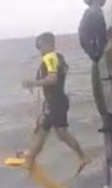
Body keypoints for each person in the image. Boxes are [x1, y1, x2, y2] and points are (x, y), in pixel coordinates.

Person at [21, 31, 90, 174]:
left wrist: (33, 83)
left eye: (39, 46)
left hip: (56, 102)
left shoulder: (50, 57)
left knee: (61, 133)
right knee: (42, 130)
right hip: (54, 101)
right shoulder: (58, 57)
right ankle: (30, 157)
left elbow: (53, 79)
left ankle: (82, 157)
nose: (39, 50)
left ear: (48, 44)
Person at [78, 0, 112, 136]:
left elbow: (82, 36)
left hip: (101, 59)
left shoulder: (91, 13)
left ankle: (109, 153)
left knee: (103, 105)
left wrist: (94, 54)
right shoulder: (104, 12)